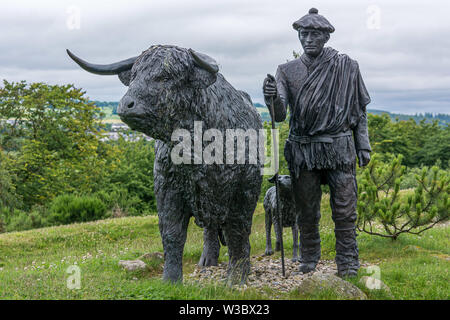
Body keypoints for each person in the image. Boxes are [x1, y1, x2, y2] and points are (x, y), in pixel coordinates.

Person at [263, 8, 372, 277]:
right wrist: (272, 97)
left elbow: (359, 110)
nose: (308, 39)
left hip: (339, 147)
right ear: (299, 37)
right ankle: (309, 258)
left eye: (314, 34)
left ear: (324, 37)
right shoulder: (286, 71)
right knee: (307, 210)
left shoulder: (347, 67)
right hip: (303, 150)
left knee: (345, 210)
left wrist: (363, 145)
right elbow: (279, 114)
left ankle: (347, 261)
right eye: (304, 34)